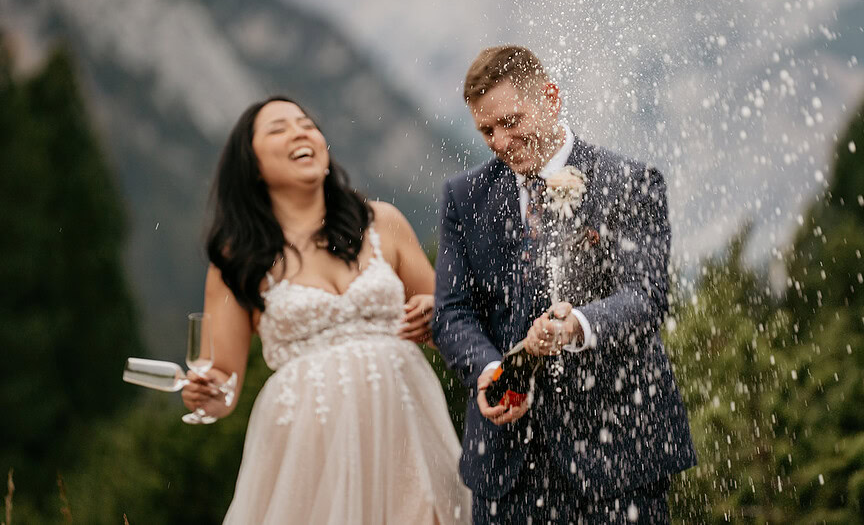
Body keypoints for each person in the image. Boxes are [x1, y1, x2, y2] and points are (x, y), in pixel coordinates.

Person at [432, 46, 697, 523]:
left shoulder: (629, 181)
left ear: (551, 98)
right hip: (508, 466)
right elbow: (452, 313)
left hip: (617, 450)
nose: (500, 141)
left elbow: (645, 298)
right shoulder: (464, 197)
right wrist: (494, 371)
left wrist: (577, 323)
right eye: (487, 130)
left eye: (511, 121)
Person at [182, 96, 470, 523]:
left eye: (306, 123)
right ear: (253, 166)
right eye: (279, 128)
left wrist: (436, 313)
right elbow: (223, 384)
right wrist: (205, 394)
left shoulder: (382, 223)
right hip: (307, 454)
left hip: (405, 435)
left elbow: (457, 323)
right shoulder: (236, 258)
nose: (300, 131)